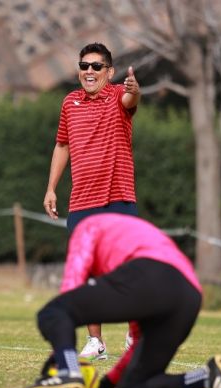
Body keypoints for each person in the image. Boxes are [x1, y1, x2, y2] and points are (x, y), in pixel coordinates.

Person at [16, 213, 221, 388]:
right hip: (189, 296)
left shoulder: (85, 228)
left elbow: (70, 290)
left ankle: (68, 371)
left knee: (52, 311)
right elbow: (137, 339)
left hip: (149, 272)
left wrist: (60, 355)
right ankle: (207, 377)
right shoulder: (128, 232)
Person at [43, 42, 141, 361]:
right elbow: (62, 146)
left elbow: (131, 99)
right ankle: (95, 342)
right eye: (84, 66)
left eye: (96, 66)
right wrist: (51, 188)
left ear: (109, 72)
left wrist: (134, 89)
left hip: (118, 196)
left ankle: (134, 335)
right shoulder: (69, 103)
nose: (89, 71)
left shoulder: (117, 96)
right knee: (85, 271)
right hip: (81, 202)